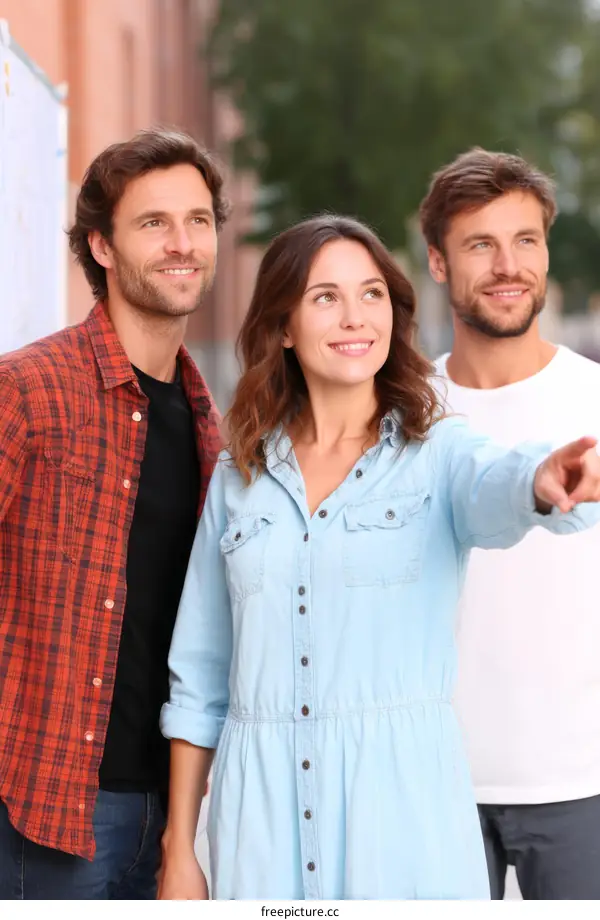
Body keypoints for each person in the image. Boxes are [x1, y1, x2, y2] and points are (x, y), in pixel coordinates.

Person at [157, 214, 600, 901]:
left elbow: (495, 486)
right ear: (282, 326)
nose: (354, 317)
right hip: (261, 835)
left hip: (401, 830)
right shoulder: (238, 476)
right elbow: (199, 679)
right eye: (325, 297)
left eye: (371, 294)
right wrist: (180, 848)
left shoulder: (439, 453)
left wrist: (541, 483)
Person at [0, 127, 226, 899]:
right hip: (37, 810)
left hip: (167, 820)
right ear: (101, 246)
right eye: (153, 223)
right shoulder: (26, 392)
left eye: (198, 221)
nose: (182, 243)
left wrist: (182, 830)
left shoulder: (210, 425)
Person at [422, 147, 600, 900]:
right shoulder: (401, 414)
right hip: (430, 784)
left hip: (583, 776)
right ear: (438, 263)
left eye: (526, 240)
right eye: (480, 244)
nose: (508, 265)